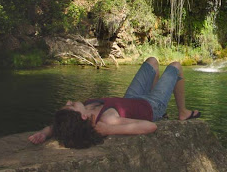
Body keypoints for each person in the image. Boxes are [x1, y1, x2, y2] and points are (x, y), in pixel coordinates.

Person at [28, 57, 201, 148]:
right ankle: (182, 112)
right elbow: (151, 127)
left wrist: (43, 134)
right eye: (71, 105)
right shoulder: (107, 120)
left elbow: (59, 125)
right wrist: (111, 130)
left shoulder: (85, 109)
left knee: (152, 62)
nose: (70, 100)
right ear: (82, 116)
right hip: (151, 106)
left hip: (131, 99)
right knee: (176, 66)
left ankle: (161, 106)